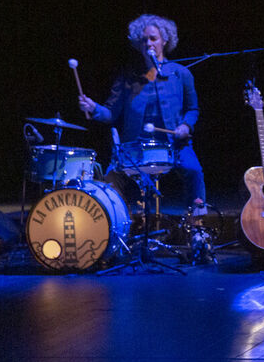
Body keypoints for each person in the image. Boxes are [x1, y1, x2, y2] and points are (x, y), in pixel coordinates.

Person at [79, 14, 207, 215]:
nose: (148, 43)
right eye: (144, 39)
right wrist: (93, 107)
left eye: (153, 38)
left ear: (165, 41)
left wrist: (186, 126)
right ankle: (120, 225)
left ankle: (197, 225)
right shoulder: (128, 77)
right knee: (111, 176)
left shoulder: (181, 73)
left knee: (194, 171)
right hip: (135, 147)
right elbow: (110, 113)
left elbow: (193, 109)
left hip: (174, 145)